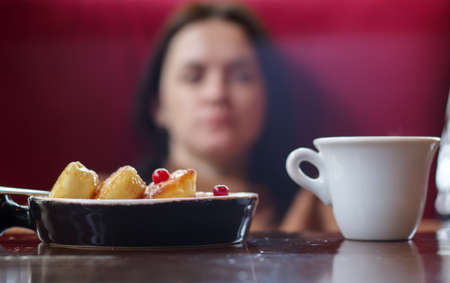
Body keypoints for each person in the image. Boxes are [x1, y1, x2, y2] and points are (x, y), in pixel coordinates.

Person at [134, 2, 337, 232]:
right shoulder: (110, 203)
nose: (217, 93)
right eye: (193, 77)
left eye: (241, 77)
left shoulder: (322, 207)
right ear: (157, 105)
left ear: (267, 99)